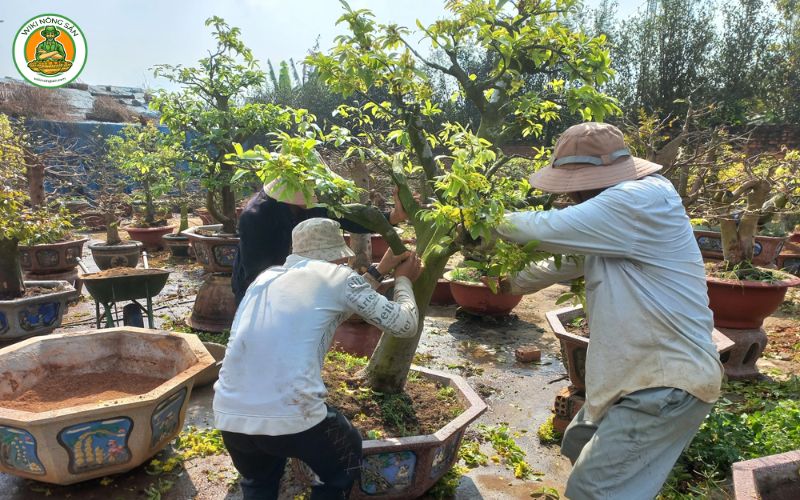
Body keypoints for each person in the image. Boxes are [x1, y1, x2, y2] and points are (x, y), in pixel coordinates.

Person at [495, 122, 724, 499]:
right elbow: (562, 261)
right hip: (634, 377)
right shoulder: (613, 223)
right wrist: (507, 283)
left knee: (591, 490)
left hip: (665, 382)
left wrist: (479, 221)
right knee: (577, 443)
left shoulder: (640, 199)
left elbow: (543, 227)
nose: (571, 197)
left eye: (573, 186)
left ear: (589, 179)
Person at [213, 217, 423, 500]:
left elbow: (334, 309)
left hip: (231, 417)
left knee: (258, 482)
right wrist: (404, 281)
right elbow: (405, 324)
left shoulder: (264, 279)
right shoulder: (336, 277)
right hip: (294, 416)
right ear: (338, 254)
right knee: (343, 464)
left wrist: (379, 269)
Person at [232, 179, 410, 305]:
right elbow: (257, 277)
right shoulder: (255, 217)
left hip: (293, 286)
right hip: (259, 292)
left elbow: (345, 217)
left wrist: (392, 218)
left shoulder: (307, 206)